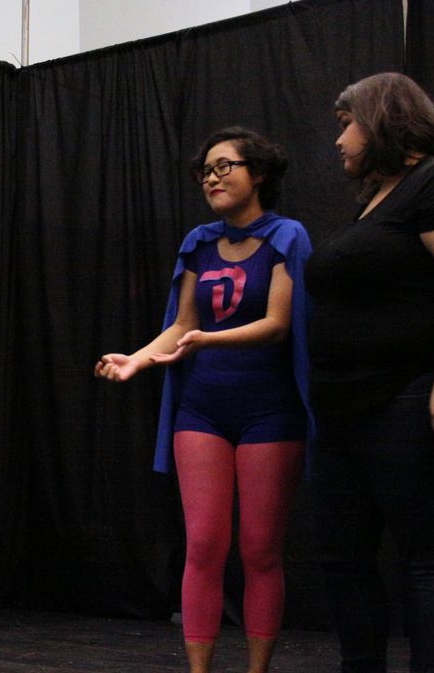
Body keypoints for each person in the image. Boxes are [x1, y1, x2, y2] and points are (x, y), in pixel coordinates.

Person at [95, 127, 312, 673]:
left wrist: (208, 341)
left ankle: (257, 669)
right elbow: (183, 324)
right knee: (204, 545)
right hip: (203, 410)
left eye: (224, 167)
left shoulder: (286, 237)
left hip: (270, 411)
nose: (212, 179)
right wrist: (138, 359)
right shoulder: (198, 242)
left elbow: (278, 323)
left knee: (260, 548)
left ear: (257, 173)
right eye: (206, 171)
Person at [305, 72, 434, 673]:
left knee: (428, 555)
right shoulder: (375, 202)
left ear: (382, 119)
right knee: (343, 558)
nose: (339, 141)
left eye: (347, 126)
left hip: (409, 397)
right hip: (345, 408)